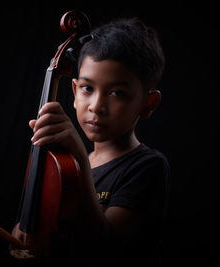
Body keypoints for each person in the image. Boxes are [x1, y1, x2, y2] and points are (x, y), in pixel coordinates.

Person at [11, 16, 170, 266]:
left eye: (117, 93)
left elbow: (104, 247)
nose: (96, 107)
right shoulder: (63, 167)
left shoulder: (148, 167)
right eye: (87, 88)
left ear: (148, 104)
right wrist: (25, 227)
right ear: (74, 92)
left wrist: (80, 159)